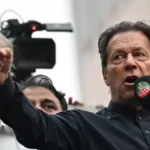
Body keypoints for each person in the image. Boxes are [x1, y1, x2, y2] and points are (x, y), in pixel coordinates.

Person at [0, 21, 150, 150]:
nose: (130, 62)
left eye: (139, 54)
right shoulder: (83, 127)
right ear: (105, 76)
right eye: (118, 57)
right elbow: (36, 126)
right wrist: (3, 82)